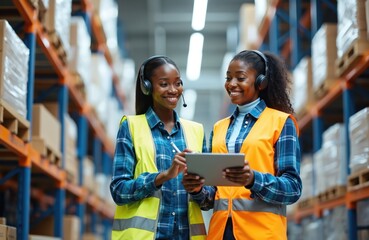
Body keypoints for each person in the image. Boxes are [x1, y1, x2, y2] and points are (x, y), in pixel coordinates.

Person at [182, 50, 302, 240]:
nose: (231, 84)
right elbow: (211, 198)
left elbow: (292, 188)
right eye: (228, 78)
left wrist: (253, 179)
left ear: (261, 82)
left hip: (261, 233)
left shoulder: (281, 122)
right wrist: (197, 189)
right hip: (221, 233)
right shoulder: (219, 128)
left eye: (241, 78)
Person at [110, 55, 207, 240]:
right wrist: (162, 177)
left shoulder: (196, 131)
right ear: (147, 87)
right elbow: (119, 190)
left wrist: (197, 190)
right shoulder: (131, 127)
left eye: (177, 83)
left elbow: (209, 199)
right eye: (164, 84)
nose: (173, 90)